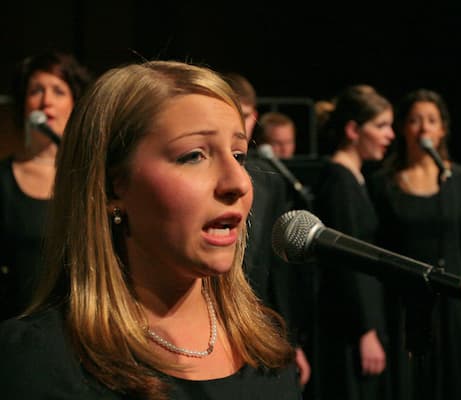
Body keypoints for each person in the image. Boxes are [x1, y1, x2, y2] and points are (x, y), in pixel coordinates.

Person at [0, 60, 302, 399]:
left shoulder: (267, 350)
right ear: (112, 188)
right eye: (193, 155)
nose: (239, 182)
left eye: (238, 154)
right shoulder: (33, 363)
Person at [367, 88, 461, 400]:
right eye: (414, 120)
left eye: (431, 120)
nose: (423, 128)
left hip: (452, 306)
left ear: (443, 129)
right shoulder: (383, 183)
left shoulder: (460, 180)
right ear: (402, 128)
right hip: (404, 307)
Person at [222, 72, 312, 389]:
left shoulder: (268, 180)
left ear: (254, 117)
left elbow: (277, 266)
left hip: (255, 321)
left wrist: (291, 340)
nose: (236, 123)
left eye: (243, 115)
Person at [313, 84, 395, 400]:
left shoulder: (354, 178)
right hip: (349, 329)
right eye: (381, 126)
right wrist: (365, 331)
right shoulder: (339, 183)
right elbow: (344, 263)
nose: (390, 135)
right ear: (352, 130)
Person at [0, 49, 92, 321]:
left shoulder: (90, 176)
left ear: (76, 104)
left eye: (58, 91)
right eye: (36, 91)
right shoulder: (4, 179)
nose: (46, 101)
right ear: (23, 105)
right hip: (19, 326)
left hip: (84, 326)